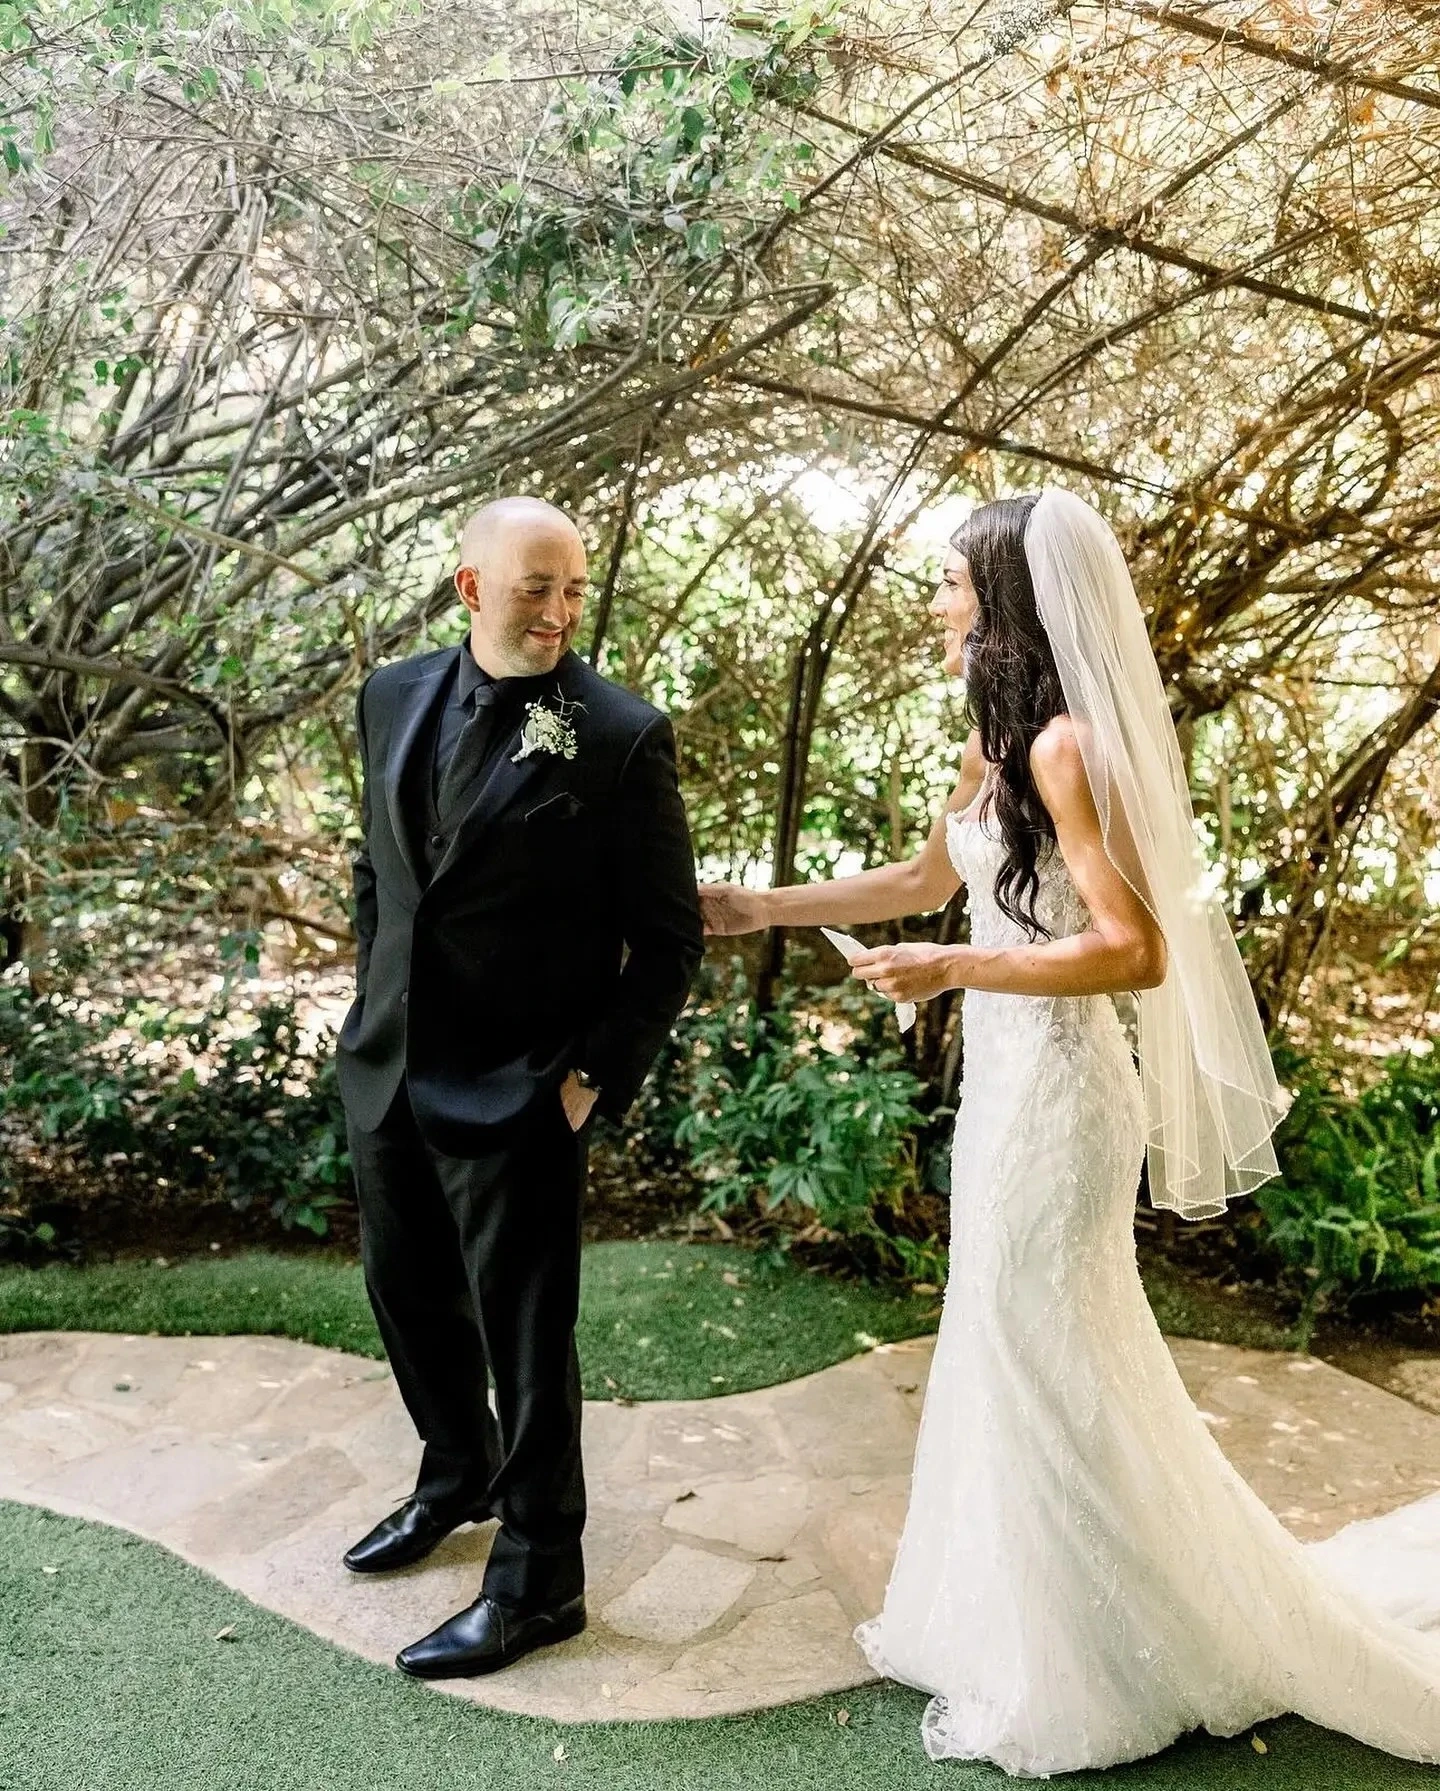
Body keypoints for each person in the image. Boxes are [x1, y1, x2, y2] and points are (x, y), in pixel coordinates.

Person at [700, 487, 1440, 1775]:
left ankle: (1105, 1659)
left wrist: (954, 968)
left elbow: (1135, 950)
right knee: (1007, 1344)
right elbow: (923, 879)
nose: (937, 600)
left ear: (1005, 599)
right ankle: (1024, 1623)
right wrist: (760, 908)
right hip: (1006, 1090)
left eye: (952, 580)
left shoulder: (1065, 751)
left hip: (1063, 1096)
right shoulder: (995, 743)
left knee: (1047, 1348)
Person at [337, 495, 703, 1679]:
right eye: (535, 587)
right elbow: (381, 874)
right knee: (406, 1295)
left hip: (525, 1090)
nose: (559, 611)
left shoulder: (620, 736)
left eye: (574, 589)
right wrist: (368, 1014)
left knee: (529, 1343)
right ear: (470, 590)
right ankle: (456, 1472)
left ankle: (541, 1579)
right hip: (390, 1069)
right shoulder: (391, 695)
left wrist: (587, 1079)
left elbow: (671, 943)